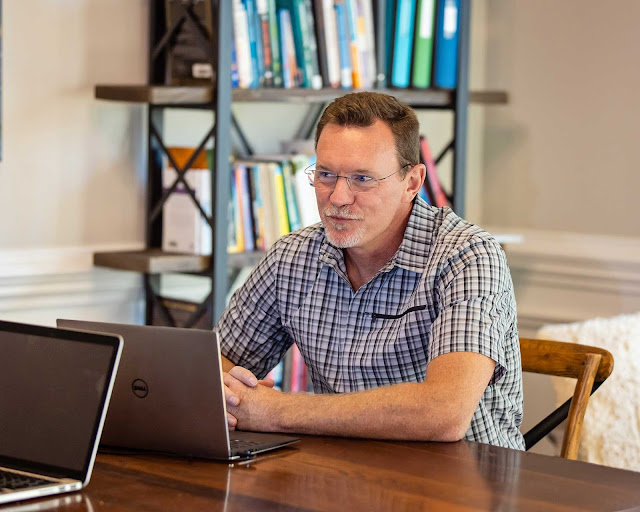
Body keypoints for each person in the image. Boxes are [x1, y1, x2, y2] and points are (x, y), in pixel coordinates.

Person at [216, 92, 524, 450]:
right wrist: (228, 394)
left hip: (463, 476)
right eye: (326, 174)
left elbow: (444, 413)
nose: (338, 197)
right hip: (338, 469)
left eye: (362, 178)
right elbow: (216, 367)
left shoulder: (467, 256)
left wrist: (276, 411)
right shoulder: (292, 256)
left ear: (412, 183)